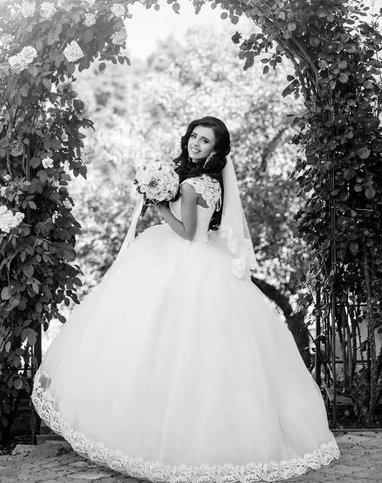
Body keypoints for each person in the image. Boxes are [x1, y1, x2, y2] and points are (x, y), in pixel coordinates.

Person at [32, 115, 340, 482]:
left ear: (216, 149)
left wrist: (159, 204)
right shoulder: (210, 182)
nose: (195, 143)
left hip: (187, 256)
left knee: (165, 345)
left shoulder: (193, 185)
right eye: (194, 136)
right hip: (209, 258)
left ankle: (161, 436)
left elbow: (187, 231)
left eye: (204, 141)